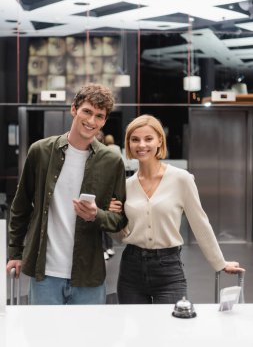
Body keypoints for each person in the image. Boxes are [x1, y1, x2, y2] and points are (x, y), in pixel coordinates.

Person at [6, 83, 127, 305]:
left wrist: (96, 215)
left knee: (88, 339)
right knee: (45, 339)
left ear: (104, 121)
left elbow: (119, 220)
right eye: (87, 111)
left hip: (88, 275)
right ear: (74, 109)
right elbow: (21, 206)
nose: (91, 121)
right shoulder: (41, 151)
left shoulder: (111, 162)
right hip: (45, 274)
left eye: (99, 116)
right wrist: (14, 252)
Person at [109, 114, 245, 304]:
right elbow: (122, 236)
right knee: (137, 333)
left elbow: (200, 223)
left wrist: (219, 263)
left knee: (175, 330)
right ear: (128, 144)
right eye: (135, 139)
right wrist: (113, 218)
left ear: (159, 141)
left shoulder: (181, 179)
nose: (141, 145)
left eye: (148, 139)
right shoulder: (126, 186)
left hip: (168, 269)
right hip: (131, 269)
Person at [96, 130, 116, 261]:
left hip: (102, 191)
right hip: (105, 191)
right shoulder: (109, 154)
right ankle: (108, 247)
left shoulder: (103, 155)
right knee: (104, 222)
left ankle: (104, 248)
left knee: (101, 222)